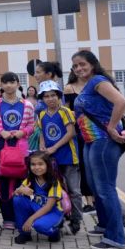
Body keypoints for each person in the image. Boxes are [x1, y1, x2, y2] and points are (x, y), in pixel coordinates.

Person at [71, 50, 125, 249]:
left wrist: (112, 127)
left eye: (82, 64)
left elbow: (121, 102)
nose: (79, 68)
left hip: (103, 140)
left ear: (93, 64)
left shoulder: (98, 81)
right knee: (96, 187)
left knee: (105, 189)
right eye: (75, 66)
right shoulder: (89, 84)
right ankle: (104, 225)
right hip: (90, 142)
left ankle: (116, 238)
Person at [0, 72, 35, 230]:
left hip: (21, 147)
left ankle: (21, 215)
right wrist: (1, 132)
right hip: (1, 145)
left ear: (18, 83)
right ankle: (8, 218)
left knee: (22, 179)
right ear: (1, 85)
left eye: (12, 82)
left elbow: (32, 125)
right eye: (5, 82)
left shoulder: (27, 105)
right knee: (3, 181)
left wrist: (23, 132)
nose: (8, 85)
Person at [37, 80, 82, 234]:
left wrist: (54, 147)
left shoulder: (65, 112)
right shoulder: (42, 114)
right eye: (46, 96)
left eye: (53, 95)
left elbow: (71, 133)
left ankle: (76, 220)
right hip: (51, 158)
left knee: (73, 190)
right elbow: (42, 132)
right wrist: (42, 146)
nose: (50, 99)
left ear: (59, 96)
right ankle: (59, 217)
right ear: (42, 99)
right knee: (56, 190)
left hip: (68, 157)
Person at [13, 151, 65, 244]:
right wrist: (20, 190)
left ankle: (55, 231)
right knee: (18, 200)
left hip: (52, 212)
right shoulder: (30, 179)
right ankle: (25, 233)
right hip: (36, 208)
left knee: (39, 226)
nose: (37, 167)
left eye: (40, 164)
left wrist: (30, 219)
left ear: (47, 165)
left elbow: (48, 207)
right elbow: (14, 194)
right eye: (33, 164)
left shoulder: (54, 182)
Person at [64, 66, 95, 214]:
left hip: (95, 130)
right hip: (78, 131)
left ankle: (96, 200)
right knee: (82, 166)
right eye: (75, 69)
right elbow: (67, 111)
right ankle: (89, 201)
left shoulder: (94, 85)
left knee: (93, 166)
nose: (79, 71)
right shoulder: (69, 88)